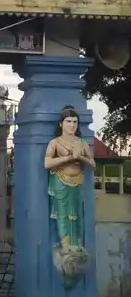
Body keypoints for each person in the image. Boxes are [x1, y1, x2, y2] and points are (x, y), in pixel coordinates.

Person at [44, 105, 94, 251]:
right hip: (60, 180)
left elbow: (92, 163)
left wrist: (81, 158)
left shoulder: (82, 143)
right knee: (63, 214)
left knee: (77, 213)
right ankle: (65, 245)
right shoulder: (55, 142)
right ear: (61, 124)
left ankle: (77, 244)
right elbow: (47, 163)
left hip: (78, 181)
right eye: (68, 121)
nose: (72, 125)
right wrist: (69, 157)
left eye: (75, 122)